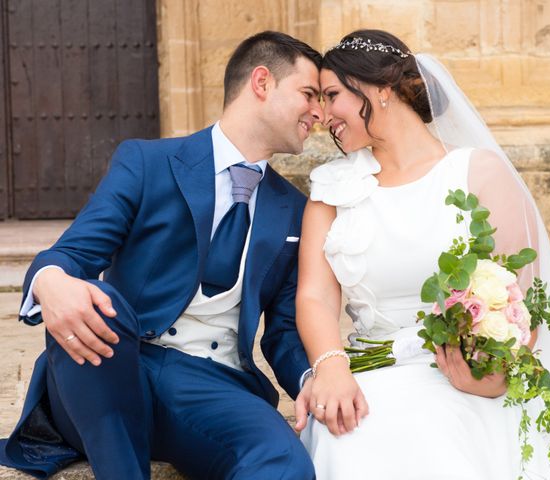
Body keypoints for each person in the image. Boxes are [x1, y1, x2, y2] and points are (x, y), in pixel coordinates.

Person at [294, 29, 550, 479]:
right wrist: (330, 366)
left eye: (332, 95)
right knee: (357, 435)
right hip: (369, 376)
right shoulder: (331, 189)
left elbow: (524, 299)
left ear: (379, 89)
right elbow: (315, 297)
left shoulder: (478, 172)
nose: (322, 115)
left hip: (467, 375)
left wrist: (491, 373)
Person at [0, 31, 322, 480]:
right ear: (262, 83)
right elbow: (74, 252)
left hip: (215, 386)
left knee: (286, 462)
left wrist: (312, 379)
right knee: (92, 297)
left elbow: (283, 330)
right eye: (309, 94)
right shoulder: (147, 162)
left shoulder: (295, 210)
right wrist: (51, 280)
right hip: (116, 367)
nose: (319, 112)